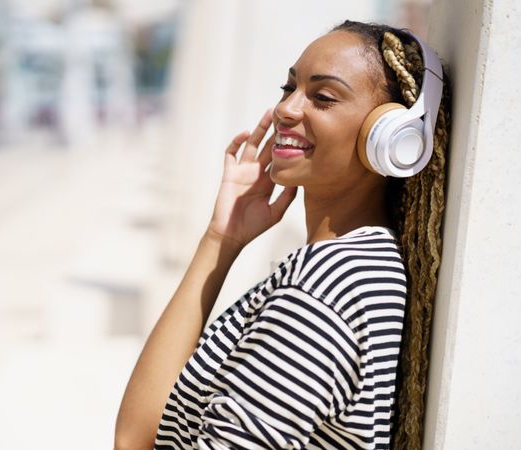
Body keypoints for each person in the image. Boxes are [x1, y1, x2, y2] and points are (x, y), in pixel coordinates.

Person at [115, 20, 450, 450]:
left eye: (323, 97)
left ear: (391, 137)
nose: (286, 109)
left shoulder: (323, 290)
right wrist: (222, 238)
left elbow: (132, 442)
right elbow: (142, 432)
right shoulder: (355, 265)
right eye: (287, 88)